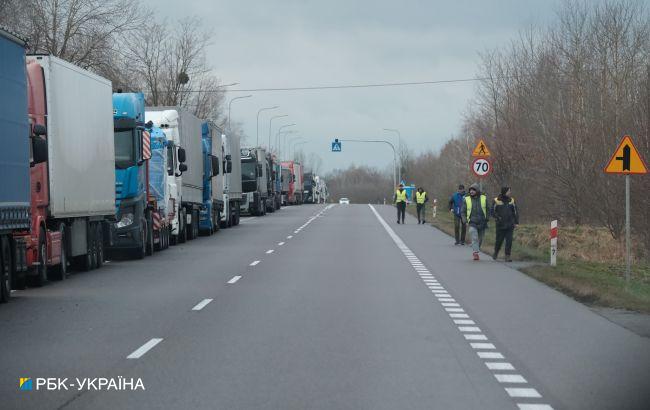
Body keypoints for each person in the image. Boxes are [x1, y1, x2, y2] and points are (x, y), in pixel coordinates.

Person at [460, 183, 488, 261]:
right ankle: (475, 253)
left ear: (477, 190)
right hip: (472, 222)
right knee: (474, 235)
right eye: (470, 190)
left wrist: (487, 218)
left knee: (480, 238)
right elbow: (463, 211)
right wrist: (464, 220)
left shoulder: (484, 198)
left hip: (482, 222)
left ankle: (476, 248)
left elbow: (488, 209)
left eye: (473, 190)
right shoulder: (466, 199)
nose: (471, 192)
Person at [491, 186, 519, 262]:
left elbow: (515, 212)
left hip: (510, 224)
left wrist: (516, 222)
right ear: (504, 192)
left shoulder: (512, 200)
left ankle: (507, 256)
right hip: (500, 225)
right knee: (499, 240)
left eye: (510, 191)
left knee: (509, 241)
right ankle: (496, 252)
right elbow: (492, 212)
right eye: (509, 191)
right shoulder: (496, 200)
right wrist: (497, 217)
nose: (510, 192)